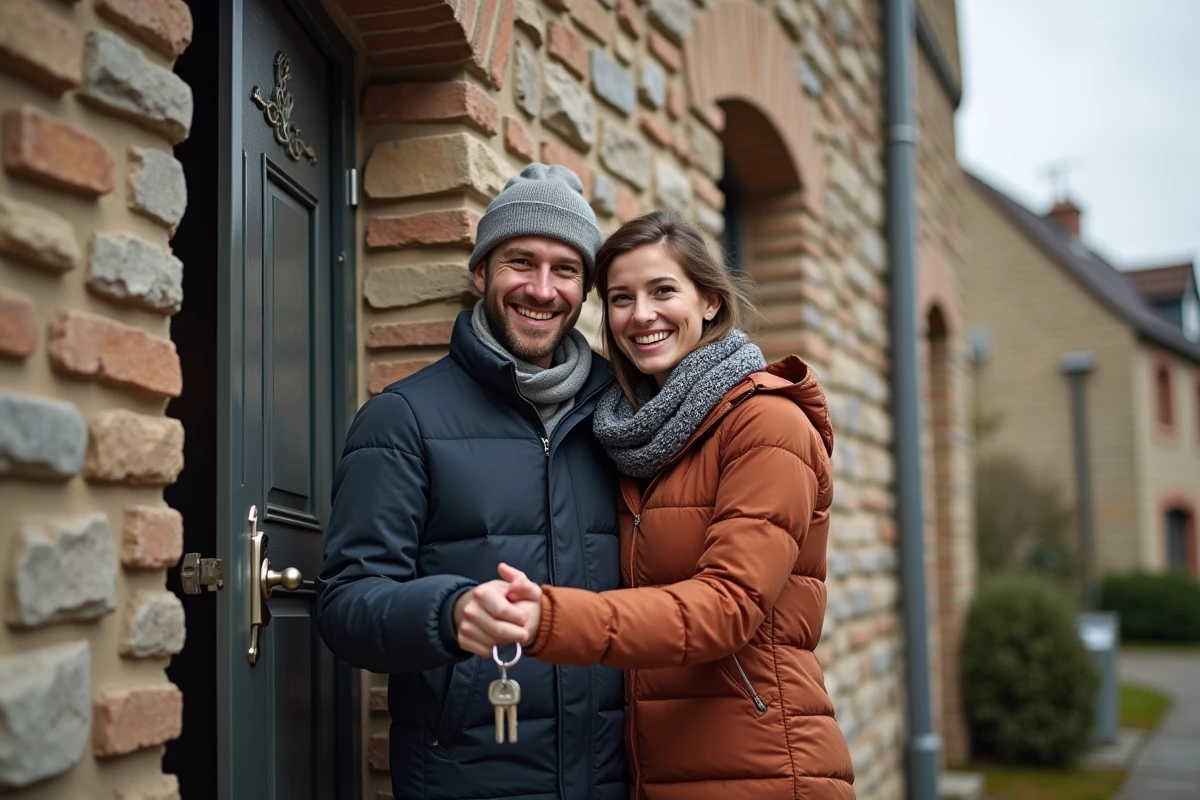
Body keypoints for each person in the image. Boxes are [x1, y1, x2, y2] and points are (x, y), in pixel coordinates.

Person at [465, 210, 856, 799]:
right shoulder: (636, 438)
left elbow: (728, 606)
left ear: (710, 302)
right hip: (662, 767)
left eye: (663, 291)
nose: (641, 314)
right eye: (621, 298)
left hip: (764, 768)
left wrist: (551, 619)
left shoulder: (767, 425)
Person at [315, 164, 626, 800]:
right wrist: (448, 613)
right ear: (481, 271)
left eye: (566, 269)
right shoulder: (403, 418)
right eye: (521, 262)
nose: (542, 288)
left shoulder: (624, 417)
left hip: (614, 777)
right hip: (467, 775)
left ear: (585, 288)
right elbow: (345, 604)